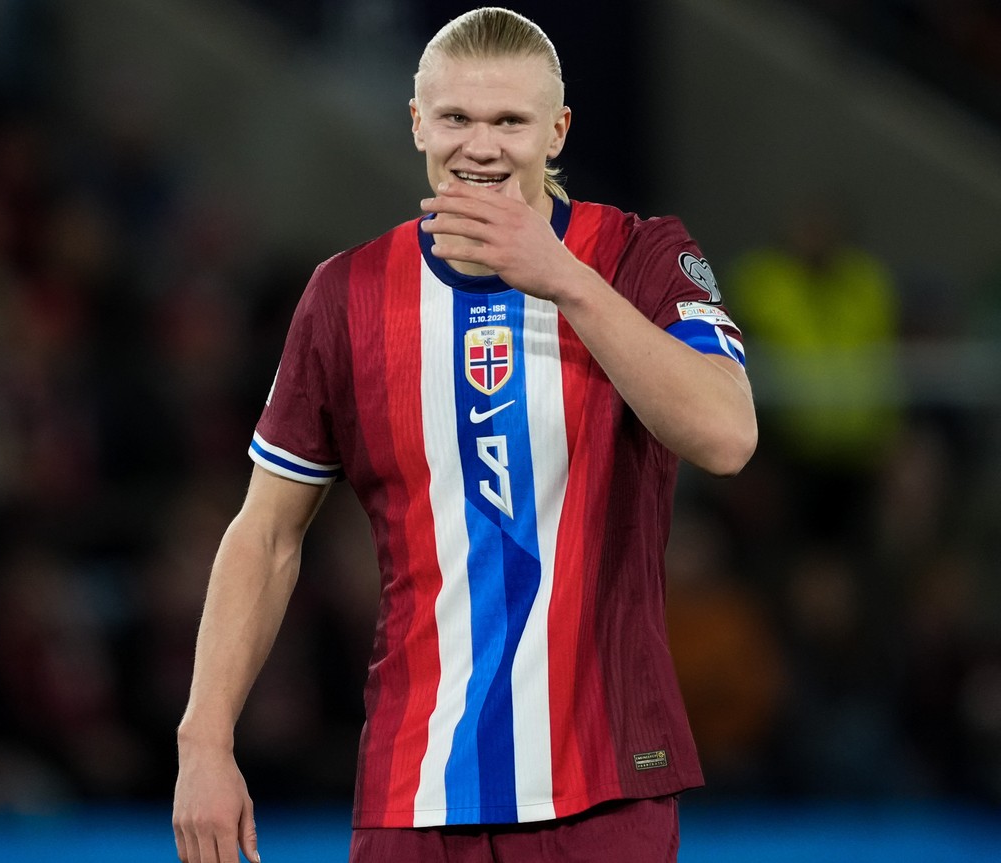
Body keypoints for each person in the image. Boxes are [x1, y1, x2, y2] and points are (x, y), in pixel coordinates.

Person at [172, 7, 757, 863]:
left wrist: (563, 278)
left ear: (555, 130)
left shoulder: (640, 257)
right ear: (417, 123)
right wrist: (204, 742)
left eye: (510, 122)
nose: (481, 147)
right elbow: (264, 535)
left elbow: (727, 433)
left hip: (602, 794)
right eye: (456, 118)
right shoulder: (347, 297)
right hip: (415, 793)